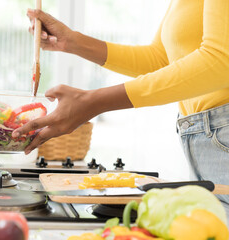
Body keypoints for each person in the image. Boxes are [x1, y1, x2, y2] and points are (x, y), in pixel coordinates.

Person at [12, 0, 229, 219]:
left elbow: (222, 61)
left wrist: (94, 101)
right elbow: (161, 59)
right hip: (207, 139)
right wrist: (72, 41)